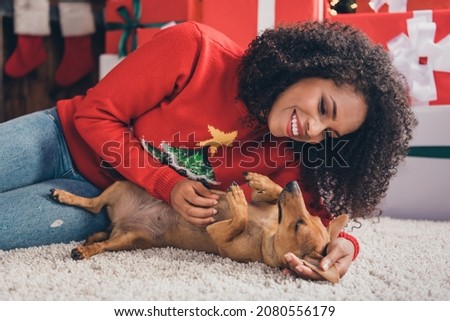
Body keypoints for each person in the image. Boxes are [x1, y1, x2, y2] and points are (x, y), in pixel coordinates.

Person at [0, 20, 416, 281]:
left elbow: (314, 220)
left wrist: (348, 249)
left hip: (98, 200)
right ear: (308, 66)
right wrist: (167, 183)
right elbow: (95, 115)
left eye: (329, 134)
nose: (312, 129)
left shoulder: (289, 155)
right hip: (57, 139)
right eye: (324, 108)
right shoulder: (196, 49)